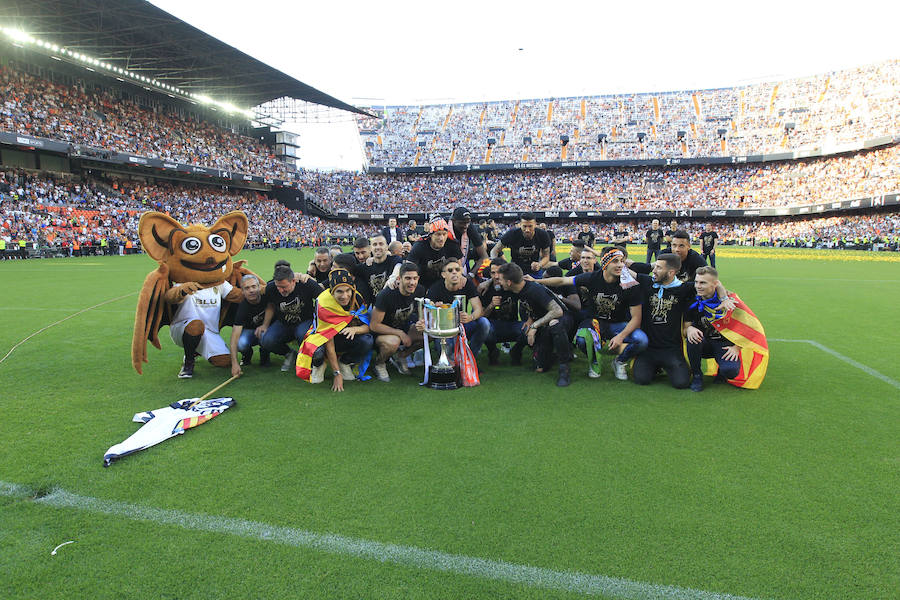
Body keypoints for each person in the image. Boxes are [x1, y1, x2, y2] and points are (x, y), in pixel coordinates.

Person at [537, 247, 645, 380]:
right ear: (605, 263)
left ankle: (619, 361)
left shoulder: (629, 284)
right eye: (615, 261)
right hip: (596, 322)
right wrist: (536, 281)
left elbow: (636, 318)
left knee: (642, 340)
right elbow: (562, 280)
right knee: (582, 340)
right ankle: (594, 361)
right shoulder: (592, 278)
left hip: (618, 324)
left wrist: (621, 337)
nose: (620, 265)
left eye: (622, 261)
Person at [631, 254, 729, 388]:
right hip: (649, 349)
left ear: (671, 272)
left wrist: (724, 298)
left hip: (671, 349)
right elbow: (626, 272)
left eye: (658, 268)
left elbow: (713, 283)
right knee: (642, 379)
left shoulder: (685, 289)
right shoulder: (648, 282)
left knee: (681, 383)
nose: (654, 270)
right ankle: (655, 367)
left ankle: (666, 366)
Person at [498, 263, 573, 386]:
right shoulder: (517, 288)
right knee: (539, 367)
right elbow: (533, 306)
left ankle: (564, 368)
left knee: (555, 325)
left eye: (500, 279)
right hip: (543, 320)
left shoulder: (534, 289)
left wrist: (534, 326)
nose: (498, 282)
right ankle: (519, 352)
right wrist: (530, 319)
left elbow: (557, 311)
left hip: (561, 318)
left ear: (509, 282)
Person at [299, 269, 373, 392]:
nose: (344, 296)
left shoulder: (357, 298)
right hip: (324, 338)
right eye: (339, 291)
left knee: (367, 340)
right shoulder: (324, 303)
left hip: (344, 337)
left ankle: (344, 362)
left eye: (348, 290)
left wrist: (355, 329)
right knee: (316, 350)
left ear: (353, 288)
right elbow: (328, 339)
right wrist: (336, 373)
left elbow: (369, 327)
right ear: (332, 292)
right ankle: (319, 364)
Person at [164, 267, 244, 379]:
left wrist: (259, 291)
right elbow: (170, 297)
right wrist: (182, 290)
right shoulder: (183, 283)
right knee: (196, 325)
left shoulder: (219, 284)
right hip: (182, 328)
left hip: (209, 332)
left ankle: (196, 350)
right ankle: (188, 362)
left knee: (224, 361)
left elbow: (238, 295)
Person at [258, 260, 324, 372]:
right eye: (278, 286)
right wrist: (265, 325)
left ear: (293, 281)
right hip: (284, 323)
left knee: (302, 334)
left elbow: (323, 299)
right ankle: (289, 354)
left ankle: (311, 361)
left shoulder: (306, 284)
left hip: (305, 320)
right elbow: (270, 305)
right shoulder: (271, 288)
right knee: (266, 340)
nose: (280, 290)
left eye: (284, 287)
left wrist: (321, 324)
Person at [684, 266, 740, 391]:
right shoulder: (691, 302)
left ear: (715, 284)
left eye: (703, 282)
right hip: (704, 344)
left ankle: (722, 370)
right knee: (692, 338)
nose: (698, 286)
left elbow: (746, 328)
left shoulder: (730, 302)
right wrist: (689, 330)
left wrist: (737, 347)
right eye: (697, 282)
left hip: (724, 344)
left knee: (731, 371)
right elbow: (685, 328)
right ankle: (697, 375)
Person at [423, 259, 491, 358]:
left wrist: (470, 317)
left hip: (463, 325)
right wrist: (436, 308)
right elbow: (427, 310)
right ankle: (451, 364)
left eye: (457, 270)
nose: (454, 272)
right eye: (450, 270)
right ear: (443, 275)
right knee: (448, 355)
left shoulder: (467, 284)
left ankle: (469, 358)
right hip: (445, 328)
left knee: (484, 323)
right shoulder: (436, 288)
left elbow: (478, 309)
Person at [369, 262, 425, 381]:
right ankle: (379, 363)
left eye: (415, 278)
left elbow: (422, 313)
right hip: (381, 334)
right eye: (408, 278)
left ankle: (401, 356)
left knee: (429, 332)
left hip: (403, 328)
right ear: (399, 279)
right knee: (394, 341)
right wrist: (399, 333)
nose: (412, 282)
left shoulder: (419, 290)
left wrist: (422, 323)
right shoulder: (386, 295)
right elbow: (374, 325)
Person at [481, 257, 525, 365]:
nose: (496, 276)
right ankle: (493, 351)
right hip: (493, 326)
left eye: (499, 272)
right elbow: (481, 316)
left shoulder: (514, 285)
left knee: (528, 328)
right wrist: (491, 305)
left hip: (512, 324)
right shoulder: (485, 289)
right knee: (484, 326)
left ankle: (516, 351)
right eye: (492, 273)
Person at [229, 274, 270, 376]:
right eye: (247, 288)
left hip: (268, 330)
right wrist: (234, 364)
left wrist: (265, 325)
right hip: (250, 332)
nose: (251, 290)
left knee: (266, 335)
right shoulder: (242, 308)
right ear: (242, 291)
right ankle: (247, 355)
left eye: (254, 286)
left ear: (259, 287)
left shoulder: (267, 296)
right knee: (241, 343)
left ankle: (265, 353)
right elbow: (234, 337)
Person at [406, 215, 463, 289]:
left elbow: (459, 267)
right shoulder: (420, 245)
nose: (441, 238)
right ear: (431, 235)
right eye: (438, 234)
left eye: (444, 234)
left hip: (446, 284)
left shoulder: (452, 244)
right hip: (423, 284)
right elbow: (408, 267)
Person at [491, 212, 551, 277]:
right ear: (520, 224)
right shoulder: (512, 234)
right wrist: (496, 265)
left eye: (530, 226)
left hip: (534, 270)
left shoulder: (543, 235)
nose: (527, 230)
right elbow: (495, 250)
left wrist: (539, 264)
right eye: (524, 226)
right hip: (515, 270)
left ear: (535, 224)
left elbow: (546, 257)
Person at [356, 234, 402, 301]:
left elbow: (398, 266)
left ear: (386, 247)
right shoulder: (364, 267)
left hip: (393, 305)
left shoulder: (394, 260)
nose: (377, 247)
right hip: (374, 307)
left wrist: (393, 278)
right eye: (374, 244)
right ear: (370, 248)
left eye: (381, 244)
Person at [450, 206, 488, 275]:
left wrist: (471, 274)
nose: (466, 226)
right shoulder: (445, 227)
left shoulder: (470, 227)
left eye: (468, 222)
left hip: (463, 259)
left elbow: (484, 256)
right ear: (453, 221)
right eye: (462, 223)